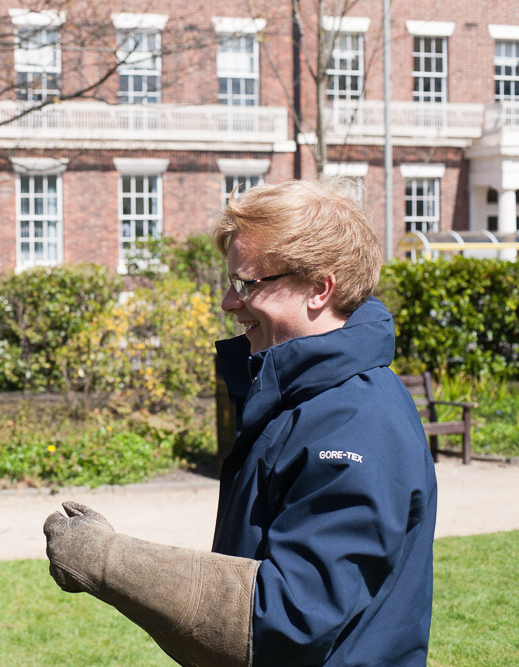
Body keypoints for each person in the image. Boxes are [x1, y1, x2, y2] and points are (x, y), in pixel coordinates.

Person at [43, 179, 437, 666]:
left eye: (248, 284)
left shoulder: (355, 423)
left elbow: (287, 619)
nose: (230, 303)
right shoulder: (301, 399)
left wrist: (107, 562)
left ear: (319, 288)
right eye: (232, 284)